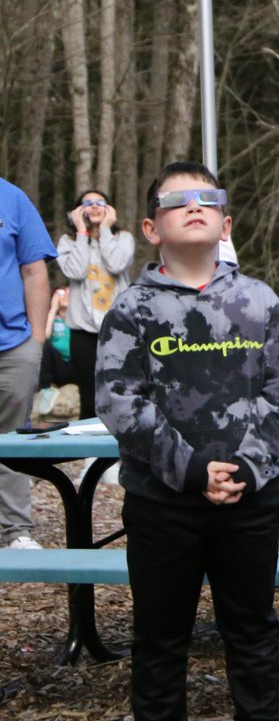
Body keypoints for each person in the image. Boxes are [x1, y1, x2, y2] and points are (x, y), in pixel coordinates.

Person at [95, 161, 279, 719]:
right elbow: (119, 402)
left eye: (207, 199)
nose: (194, 206)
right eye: (177, 200)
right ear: (151, 228)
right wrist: (189, 470)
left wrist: (244, 469)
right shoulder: (131, 309)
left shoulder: (261, 302)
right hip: (163, 504)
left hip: (249, 501)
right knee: (160, 643)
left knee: (254, 635)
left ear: (226, 223)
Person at [0, 177, 56, 550]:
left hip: (13, 345)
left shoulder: (12, 197)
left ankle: (13, 530)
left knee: (10, 440)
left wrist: (35, 340)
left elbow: (34, 269)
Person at [55, 190, 135, 420]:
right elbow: (75, 270)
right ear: (77, 211)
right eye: (87, 203)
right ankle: (91, 453)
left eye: (100, 202)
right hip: (83, 330)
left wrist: (105, 231)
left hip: (118, 327)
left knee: (122, 388)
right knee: (89, 391)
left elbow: (117, 264)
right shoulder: (68, 242)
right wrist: (82, 232)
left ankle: (121, 447)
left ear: (110, 209)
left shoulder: (123, 239)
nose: (94, 206)